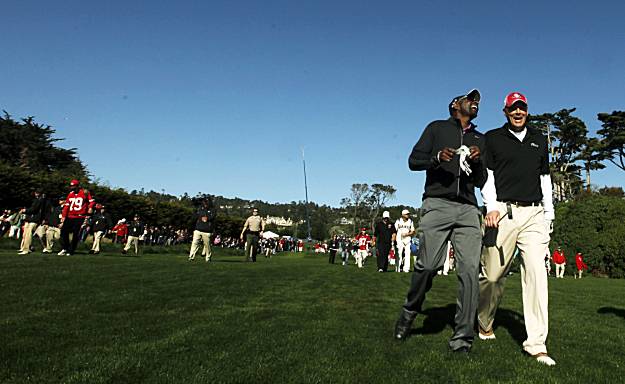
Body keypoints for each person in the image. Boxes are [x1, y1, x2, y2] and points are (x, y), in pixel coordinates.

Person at [394, 89, 486, 354]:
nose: (476, 103)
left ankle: (462, 338)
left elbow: (480, 181)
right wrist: (435, 159)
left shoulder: (480, 138)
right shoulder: (436, 128)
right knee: (428, 265)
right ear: (456, 105)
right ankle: (410, 311)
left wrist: (478, 163)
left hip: (469, 209)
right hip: (437, 203)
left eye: (478, 101)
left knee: (469, 271)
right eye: (471, 100)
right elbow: (413, 161)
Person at [478, 92, 556, 366]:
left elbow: (545, 179)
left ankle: (536, 344)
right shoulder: (493, 138)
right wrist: (491, 208)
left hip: (534, 214)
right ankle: (484, 322)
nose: (518, 112)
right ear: (505, 112)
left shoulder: (539, 139)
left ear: (527, 110)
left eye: (522, 107)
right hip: (504, 213)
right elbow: (486, 176)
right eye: (513, 108)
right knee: (492, 276)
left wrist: (549, 215)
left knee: (536, 273)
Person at [59, 179, 94, 256]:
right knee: (64, 232)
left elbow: (91, 201)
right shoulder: (70, 194)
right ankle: (65, 248)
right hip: (70, 216)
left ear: (77, 186)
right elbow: (66, 206)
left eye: (74, 186)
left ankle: (71, 250)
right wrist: (64, 216)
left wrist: (90, 207)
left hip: (79, 216)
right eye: (71, 186)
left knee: (76, 234)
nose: (72, 188)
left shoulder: (84, 193)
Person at [18, 190, 47, 255]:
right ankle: (27, 247)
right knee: (27, 233)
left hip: (35, 219)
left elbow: (34, 209)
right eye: (36, 192)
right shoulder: (38, 200)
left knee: (29, 233)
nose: (36, 193)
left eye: (37, 192)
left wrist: (25, 210)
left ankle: (26, 249)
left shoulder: (40, 200)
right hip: (33, 219)